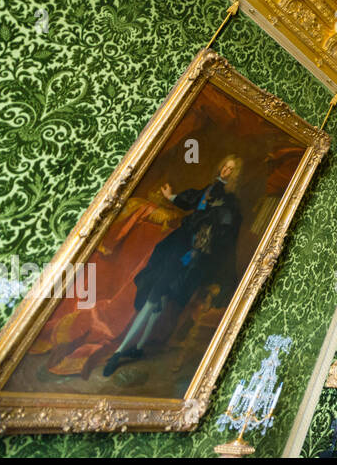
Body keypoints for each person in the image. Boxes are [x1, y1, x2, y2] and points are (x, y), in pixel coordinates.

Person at [101, 155, 245, 378]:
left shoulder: (230, 203)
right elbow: (192, 200)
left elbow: (223, 234)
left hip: (192, 252)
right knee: (157, 292)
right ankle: (136, 348)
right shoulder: (210, 188)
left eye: (231, 169)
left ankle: (120, 352)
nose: (225, 171)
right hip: (178, 242)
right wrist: (171, 197)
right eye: (224, 166)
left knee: (159, 294)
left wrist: (199, 248)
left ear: (235, 175)